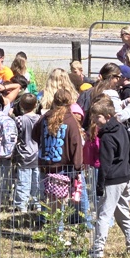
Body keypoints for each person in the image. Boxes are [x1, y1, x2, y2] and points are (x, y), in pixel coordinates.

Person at [88, 100, 130, 258]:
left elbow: (105, 163)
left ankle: (98, 249)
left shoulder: (107, 138)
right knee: (122, 213)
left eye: (98, 118)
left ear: (107, 116)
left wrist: (100, 184)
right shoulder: (121, 128)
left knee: (104, 214)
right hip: (124, 177)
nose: (95, 121)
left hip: (113, 179)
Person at [35, 89, 84, 222]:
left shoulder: (45, 117)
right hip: (63, 167)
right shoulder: (71, 121)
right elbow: (76, 144)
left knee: (49, 198)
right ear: (70, 103)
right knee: (60, 201)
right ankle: (57, 231)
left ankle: (47, 225)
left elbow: (35, 134)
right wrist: (77, 166)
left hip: (45, 164)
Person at [12, 93, 42, 211]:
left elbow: (17, 135)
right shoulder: (40, 119)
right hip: (38, 154)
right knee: (37, 182)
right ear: (35, 105)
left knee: (23, 182)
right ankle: (37, 203)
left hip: (24, 154)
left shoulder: (19, 119)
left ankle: (21, 205)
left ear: (21, 105)